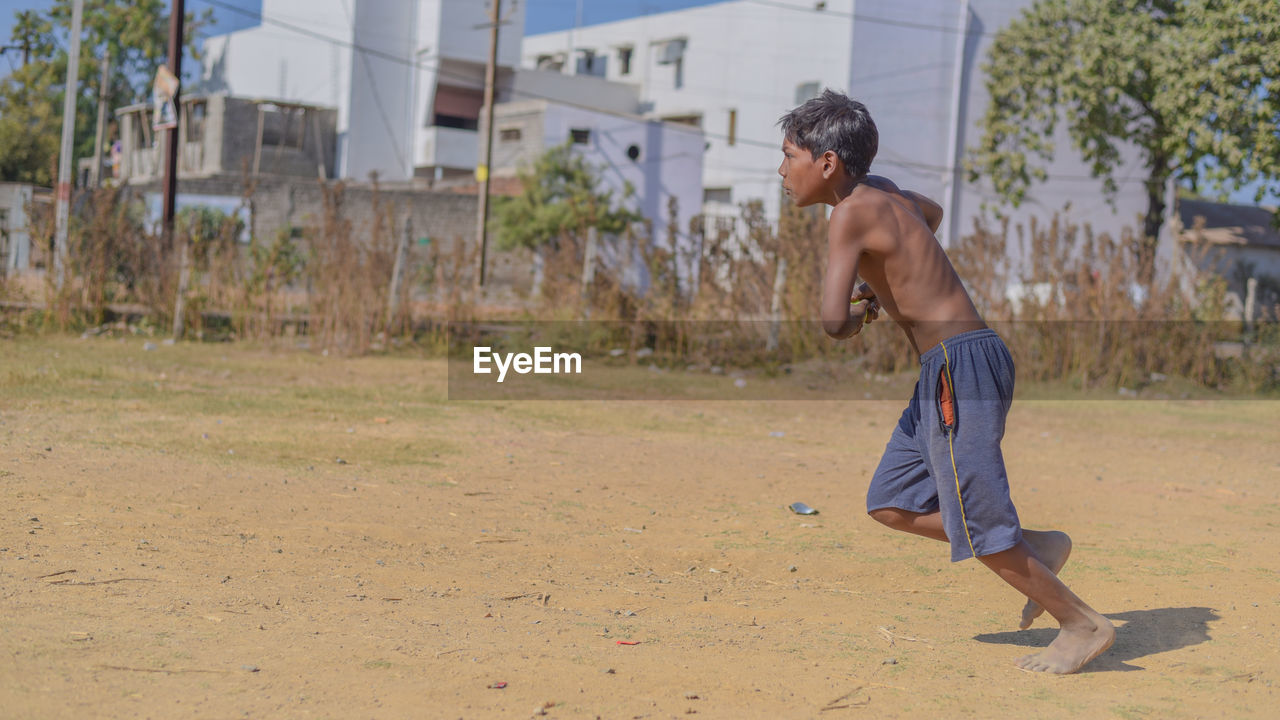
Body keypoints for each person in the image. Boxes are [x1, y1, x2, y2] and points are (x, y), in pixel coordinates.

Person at [777, 89, 1114, 674]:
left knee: (977, 518)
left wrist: (861, 309)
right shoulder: (880, 191)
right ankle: (1040, 549)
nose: (782, 171)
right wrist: (884, 281)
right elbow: (928, 214)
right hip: (952, 368)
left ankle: (1082, 624)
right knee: (890, 500)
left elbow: (832, 322)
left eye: (788, 155)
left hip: (959, 368)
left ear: (825, 162)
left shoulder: (848, 213)